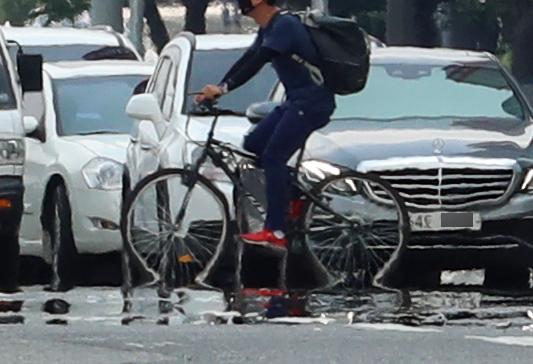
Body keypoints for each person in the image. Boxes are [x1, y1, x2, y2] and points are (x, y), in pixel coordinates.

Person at [196, 0, 336, 249]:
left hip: (311, 103)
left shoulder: (285, 26)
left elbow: (259, 60)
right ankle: (294, 197)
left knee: (274, 157)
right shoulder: (268, 28)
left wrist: (223, 88)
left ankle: (277, 231)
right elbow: (248, 57)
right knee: (253, 144)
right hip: (295, 101)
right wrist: (219, 87)